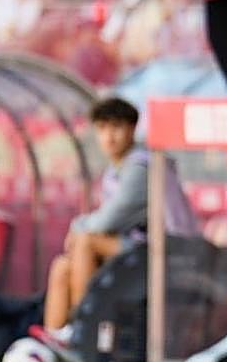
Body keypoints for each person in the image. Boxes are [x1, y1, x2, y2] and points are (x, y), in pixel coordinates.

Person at [40, 97, 198, 336]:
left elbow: (107, 221)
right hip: (138, 247)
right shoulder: (117, 169)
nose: (109, 136)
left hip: (168, 249)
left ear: (132, 129)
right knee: (62, 267)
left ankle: (84, 329)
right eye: (102, 128)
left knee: (86, 241)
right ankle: (54, 338)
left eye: (116, 127)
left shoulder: (140, 167)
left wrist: (77, 227)